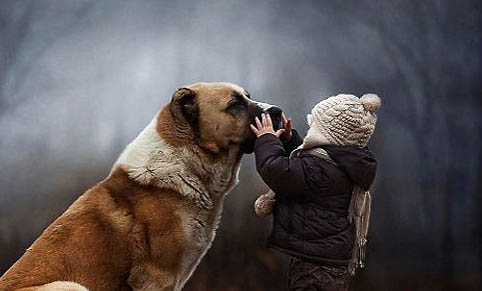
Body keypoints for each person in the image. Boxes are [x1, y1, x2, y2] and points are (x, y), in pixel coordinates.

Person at [250, 94, 380, 291]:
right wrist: (290, 140)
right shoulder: (340, 164)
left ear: (328, 135)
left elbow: (277, 170)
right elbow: (304, 171)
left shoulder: (320, 170)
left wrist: (266, 139)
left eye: (314, 126)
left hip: (315, 266)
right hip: (328, 261)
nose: (310, 130)